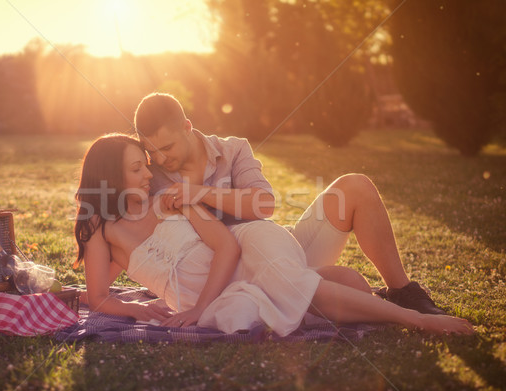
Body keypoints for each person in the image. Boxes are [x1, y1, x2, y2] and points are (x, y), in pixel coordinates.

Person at [73, 133, 473, 336]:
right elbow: (99, 294)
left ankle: (414, 317)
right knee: (351, 284)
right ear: (110, 176)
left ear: (187, 130)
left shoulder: (175, 196)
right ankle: (387, 307)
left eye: (150, 163)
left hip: (248, 254)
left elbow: (236, 235)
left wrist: (198, 308)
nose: (152, 171)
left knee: (303, 285)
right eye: (139, 167)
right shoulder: (102, 229)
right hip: (220, 287)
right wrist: (139, 309)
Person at [134, 92, 446, 315]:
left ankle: (402, 291)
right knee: (353, 287)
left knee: (356, 187)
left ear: (187, 127)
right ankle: (339, 296)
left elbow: (264, 205)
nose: (161, 159)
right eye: (152, 152)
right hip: (233, 280)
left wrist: (198, 193)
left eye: (167, 147)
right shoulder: (153, 175)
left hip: (279, 253)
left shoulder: (232, 150)